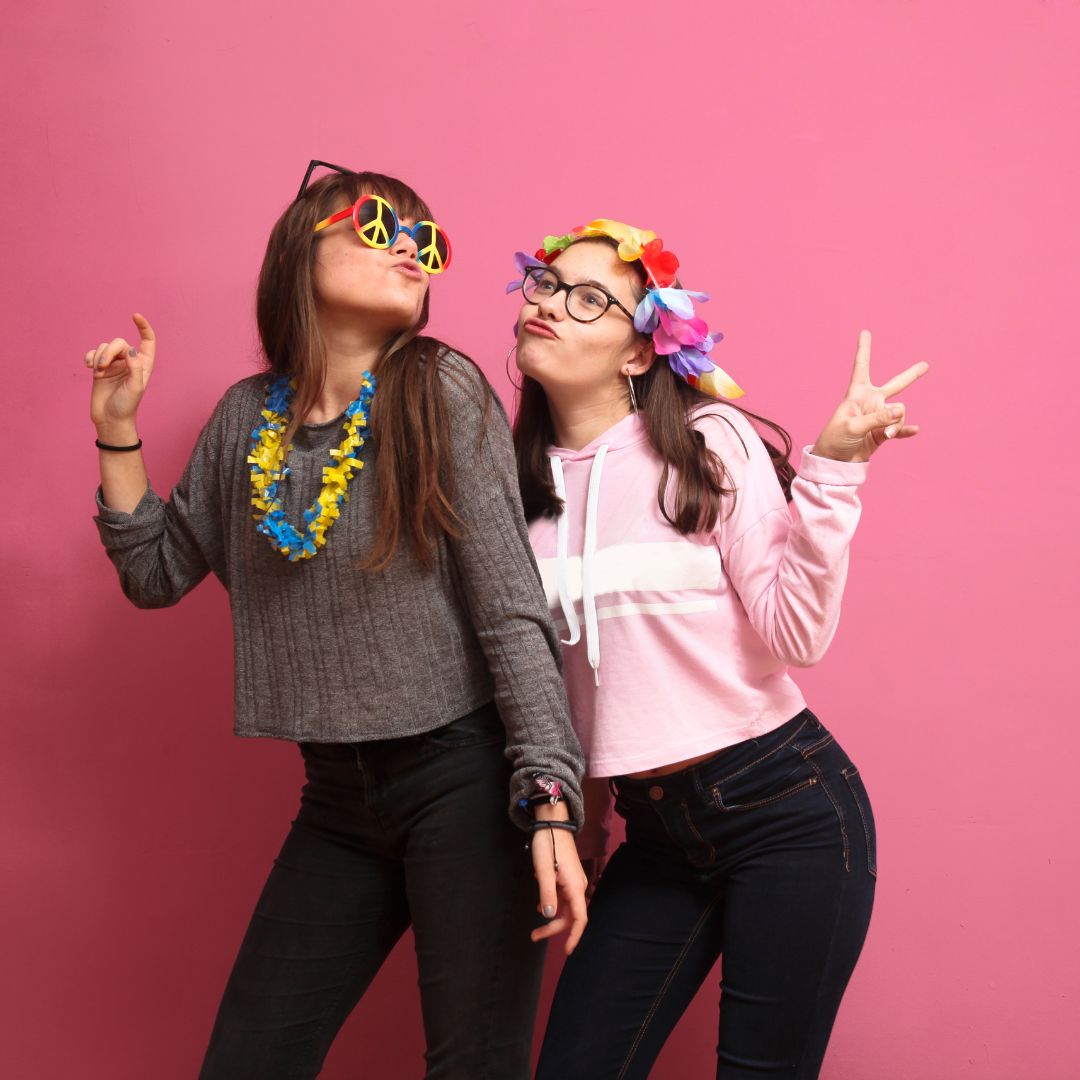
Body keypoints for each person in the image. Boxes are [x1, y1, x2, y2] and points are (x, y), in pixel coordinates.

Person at [85, 161, 588, 1079]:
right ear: (297, 250)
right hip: (337, 796)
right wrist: (120, 430)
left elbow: (511, 605)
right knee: (248, 1060)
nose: (411, 247)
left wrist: (549, 799)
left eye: (427, 242)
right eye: (379, 223)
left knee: (475, 1064)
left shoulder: (440, 389)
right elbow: (156, 574)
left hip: (467, 782)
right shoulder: (246, 419)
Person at [508, 219, 928, 1079]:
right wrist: (579, 833)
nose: (552, 305)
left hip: (785, 809)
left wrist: (836, 471)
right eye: (544, 285)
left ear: (638, 353)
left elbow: (796, 636)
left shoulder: (706, 444)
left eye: (591, 298)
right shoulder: (515, 487)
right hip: (656, 833)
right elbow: (552, 681)